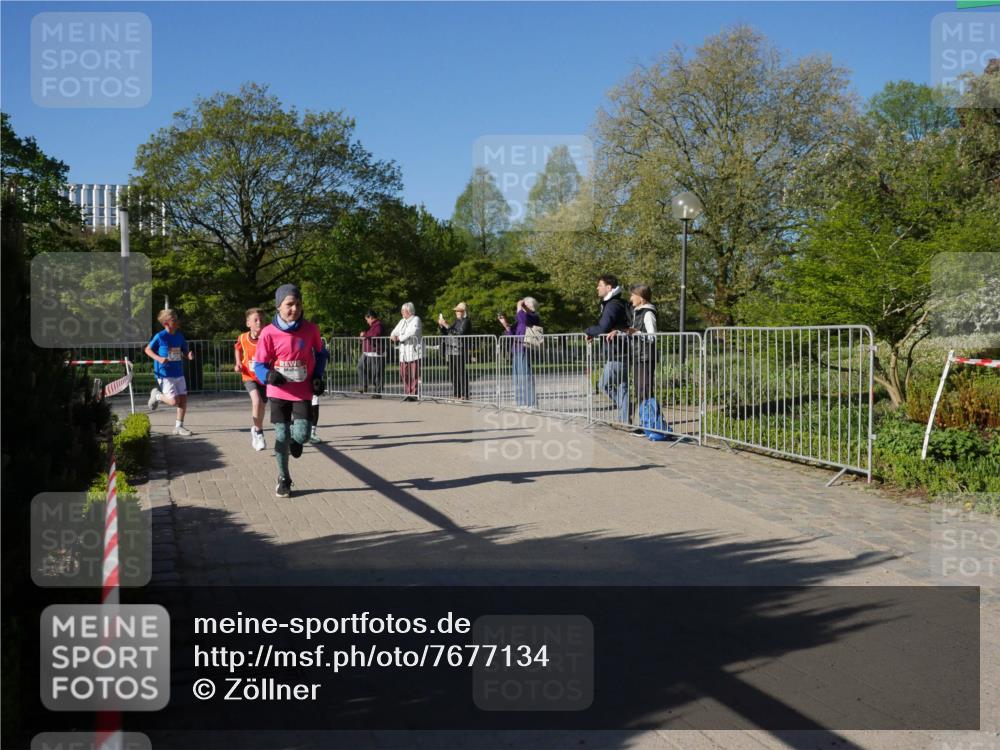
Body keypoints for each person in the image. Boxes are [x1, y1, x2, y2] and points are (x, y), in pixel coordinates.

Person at [252, 284, 328, 498]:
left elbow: (321, 354)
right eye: (289, 304)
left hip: (302, 390)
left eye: (298, 304)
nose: (294, 309)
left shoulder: (311, 329)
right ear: (279, 306)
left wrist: (317, 376)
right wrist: (268, 375)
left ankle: (296, 441)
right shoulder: (268, 332)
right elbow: (259, 364)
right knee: (281, 434)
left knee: (303, 434)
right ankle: (284, 478)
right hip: (278, 392)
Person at [610, 284, 658, 433]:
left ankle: (649, 426)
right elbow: (633, 332)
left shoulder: (648, 313)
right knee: (640, 391)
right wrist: (619, 332)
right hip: (638, 356)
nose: (630, 299)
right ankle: (647, 424)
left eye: (633, 295)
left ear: (641, 298)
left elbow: (652, 337)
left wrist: (635, 332)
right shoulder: (637, 312)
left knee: (644, 391)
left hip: (646, 357)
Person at [585, 275, 631, 424]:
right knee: (623, 386)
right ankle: (625, 420)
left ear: (609, 287)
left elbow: (603, 327)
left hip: (617, 351)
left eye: (600, 285)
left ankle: (626, 409)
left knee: (604, 385)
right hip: (623, 350)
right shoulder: (619, 303)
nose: (597, 288)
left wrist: (588, 331)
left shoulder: (612, 305)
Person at [145, 308, 195, 436]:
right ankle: (157, 395)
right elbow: (147, 350)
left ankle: (179, 427)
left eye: (177, 318)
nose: (177, 321)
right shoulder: (160, 336)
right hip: (165, 374)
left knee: (183, 399)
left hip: (178, 372)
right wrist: (159, 358)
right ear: (166, 323)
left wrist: (188, 355)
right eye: (174, 319)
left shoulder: (179, 335)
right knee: (174, 401)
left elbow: (184, 350)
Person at [234, 307, 268, 451]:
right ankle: (259, 433)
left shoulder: (268, 337)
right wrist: (238, 363)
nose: (259, 322)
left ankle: (256, 428)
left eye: (261, 320)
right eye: (256, 320)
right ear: (248, 323)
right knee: (256, 401)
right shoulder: (243, 338)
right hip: (249, 375)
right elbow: (237, 348)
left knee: (262, 406)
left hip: (264, 376)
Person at [499, 297, 540, 408]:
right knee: (517, 377)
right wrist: (505, 324)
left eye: (524, 304)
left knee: (526, 375)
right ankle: (521, 403)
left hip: (525, 348)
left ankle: (531, 403)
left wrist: (519, 307)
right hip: (516, 349)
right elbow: (512, 334)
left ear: (530, 306)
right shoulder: (521, 318)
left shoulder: (533, 316)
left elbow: (523, 319)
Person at [438, 301, 472, 399]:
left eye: (459, 311)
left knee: (461, 372)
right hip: (450, 348)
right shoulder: (456, 321)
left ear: (464, 312)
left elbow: (459, 333)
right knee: (452, 372)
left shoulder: (466, 321)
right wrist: (441, 325)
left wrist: (446, 325)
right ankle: (456, 393)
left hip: (459, 349)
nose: (457, 312)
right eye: (456, 311)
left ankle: (465, 394)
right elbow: (447, 332)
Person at [390, 302, 421, 402]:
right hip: (403, 352)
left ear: (410, 311)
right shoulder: (402, 321)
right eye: (402, 310)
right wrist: (393, 336)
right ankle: (408, 393)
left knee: (414, 374)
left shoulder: (416, 319)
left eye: (404, 310)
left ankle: (414, 394)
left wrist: (399, 338)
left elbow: (412, 332)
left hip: (414, 351)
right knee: (404, 373)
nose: (402, 312)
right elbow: (394, 331)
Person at [357, 310, 386, 398]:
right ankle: (363, 386)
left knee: (377, 373)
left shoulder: (378, 325)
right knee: (360, 366)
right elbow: (370, 335)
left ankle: (378, 392)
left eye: (367, 319)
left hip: (376, 353)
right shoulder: (373, 326)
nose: (367, 322)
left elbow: (375, 334)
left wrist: (364, 334)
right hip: (367, 352)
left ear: (371, 317)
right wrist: (364, 336)